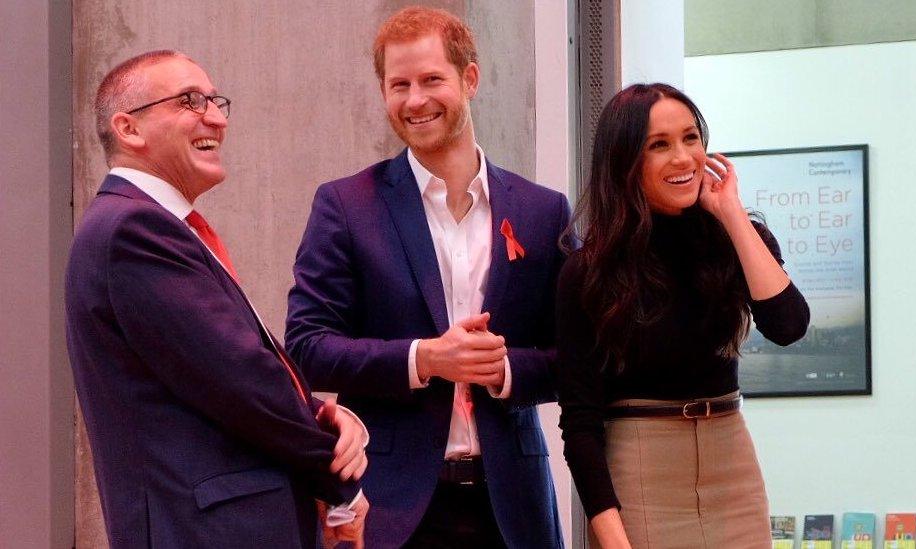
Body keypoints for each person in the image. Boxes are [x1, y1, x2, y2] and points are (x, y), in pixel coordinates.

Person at [286, 7, 567, 549]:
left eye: (432, 80)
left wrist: (504, 369)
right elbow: (307, 346)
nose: (415, 100)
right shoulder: (346, 206)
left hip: (512, 507)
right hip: (390, 509)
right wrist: (426, 358)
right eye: (399, 85)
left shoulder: (542, 210)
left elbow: (577, 355)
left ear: (471, 79)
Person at [65, 50, 369, 549]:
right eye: (190, 101)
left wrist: (317, 414)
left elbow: (215, 375)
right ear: (129, 128)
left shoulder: (151, 228)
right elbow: (240, 379)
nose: (217, 117)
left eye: (216, 101)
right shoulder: (132, 231)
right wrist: (339, 479)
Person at [556, 83, 810, 548]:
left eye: (691, 138)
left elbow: (789, 326)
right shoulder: (589, 269)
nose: (682, 158)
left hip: (731, 463)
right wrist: (612, 538)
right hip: (641, 467)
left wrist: (731, 215)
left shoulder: (736, 238)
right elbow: (580, 420)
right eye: (659, 145)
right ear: (625, 161)